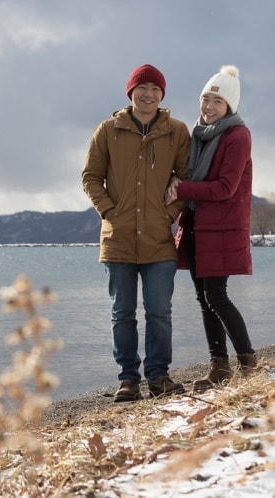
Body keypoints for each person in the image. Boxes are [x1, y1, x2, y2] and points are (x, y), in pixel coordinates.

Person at [82, 64, 190, 402]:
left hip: (159, 239)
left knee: (159, 311)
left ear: (162, 95)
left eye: (155, 89)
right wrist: (110, 212)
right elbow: (90, 178)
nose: (149, 94)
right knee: (122, 313)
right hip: (118, 240)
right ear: (130, 92)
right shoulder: (108, 130)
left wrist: (169, 214)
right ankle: (128, 379)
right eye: (142, 87)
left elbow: (187, 181)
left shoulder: (177, 131)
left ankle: (158, 377)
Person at [165, 65, 257, 392]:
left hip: (221, 230)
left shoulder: (237, 135)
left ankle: (248, 363)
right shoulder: (198, 134)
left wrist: (181, 188)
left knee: (216, 296)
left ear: (229, 107)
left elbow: (224, 188)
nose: (209, 107)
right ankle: (219, 366)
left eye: (217, 102)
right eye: (205, 98)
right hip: (195, 227)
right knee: (204, 299)